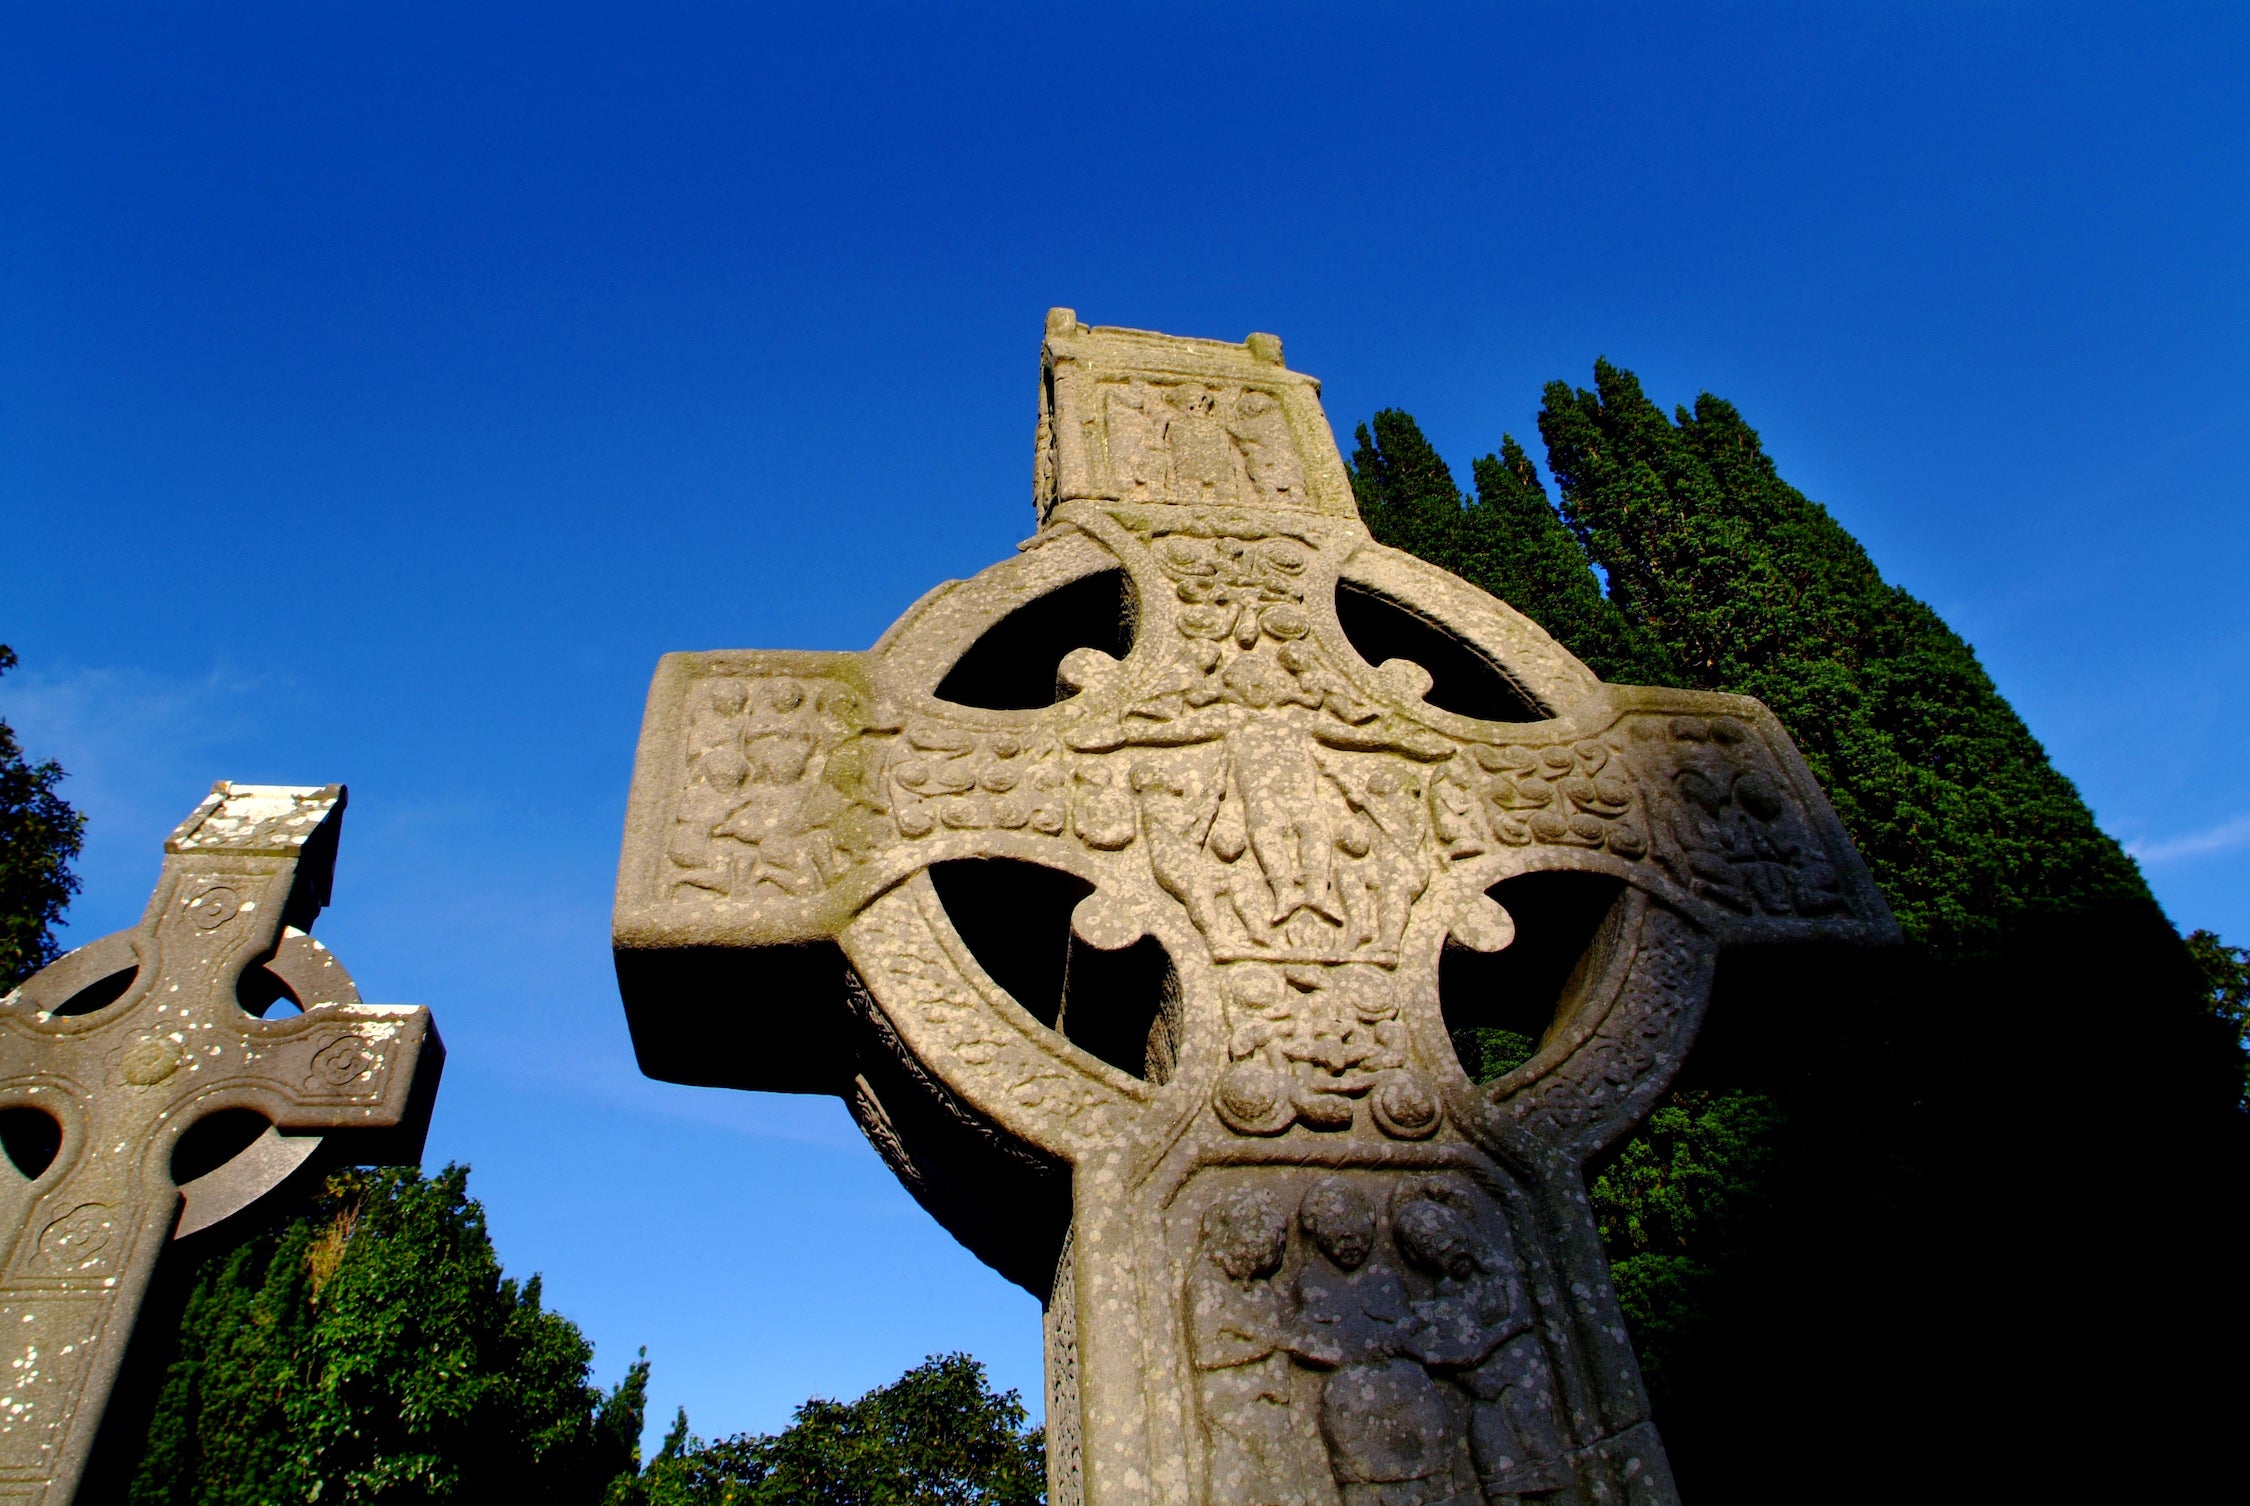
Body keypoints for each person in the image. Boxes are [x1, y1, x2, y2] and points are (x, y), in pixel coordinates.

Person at [1291, 1178, 1473, 1506]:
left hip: (1408, 1391)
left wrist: (1402, 1331)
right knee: (1364, 1484)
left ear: (1370, 1221)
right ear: (1317, 1235)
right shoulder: (1313, 1283)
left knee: (1433, 1480)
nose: (1347, 1241)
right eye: (1334, 1230)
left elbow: (1408, 1325)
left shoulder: (1385, 1278)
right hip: (1355, 1402)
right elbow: (1312, 1336)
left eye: (1354, 1229)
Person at [1392, 1189, 1573, 1502]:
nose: (1450, 1263)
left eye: (1452, 1250)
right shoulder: (1446, 1292)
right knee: (1489, 1443)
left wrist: (1483, 1348)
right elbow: (1453, 1338)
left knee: (1540, 1443)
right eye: (1437, 1257)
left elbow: (1521, 1318)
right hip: (1487, 1387)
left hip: (1521, 1370)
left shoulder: (1498, 1267)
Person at [1187, 1189, 1307, 1506]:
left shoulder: (1260, 1288)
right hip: (1233, 1402)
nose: (1254, 1269)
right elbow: (1207, 1353)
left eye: (1262, 1261)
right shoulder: (1206, 1283)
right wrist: (1265, 1345)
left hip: (1269, 1401)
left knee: (1282, 1480)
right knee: (1237, 1474)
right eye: (1249, 1257)